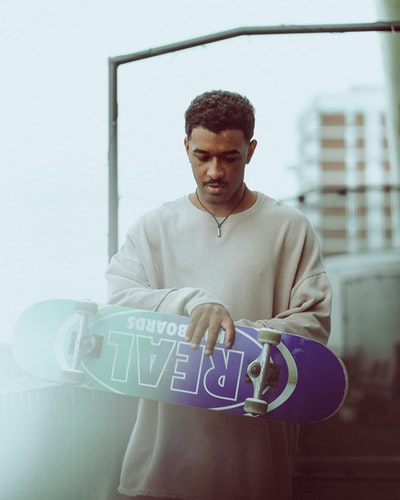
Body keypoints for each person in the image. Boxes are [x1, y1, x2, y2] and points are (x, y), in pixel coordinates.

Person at [106, 90, 332, 500]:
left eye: (229, 157)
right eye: (202, 156)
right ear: (186, 148)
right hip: (163, 463)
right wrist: (195, 303)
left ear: (251, 150)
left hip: (254, 463)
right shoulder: (152, 227)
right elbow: (118, 304)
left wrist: (238, 339)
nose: (215, 171)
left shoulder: (289, 227)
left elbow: (313, 325)